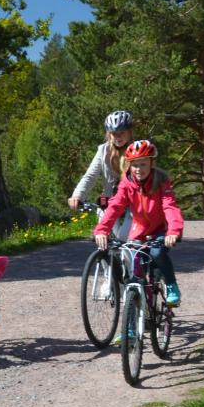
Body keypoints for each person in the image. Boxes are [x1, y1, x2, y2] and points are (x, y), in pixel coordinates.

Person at [96, 139, 185, 306]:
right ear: (129, 165)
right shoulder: (126, 183)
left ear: (151, 163)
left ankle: (171, 285)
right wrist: (102, 229)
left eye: (143, 164)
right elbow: (115, 206)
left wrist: (173, 231)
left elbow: (170, 207)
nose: (139, 169)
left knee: (157, 253)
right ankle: (134, 315)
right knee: (133, 269)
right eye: (134, 165)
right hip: (139, 231)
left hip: (160, 230)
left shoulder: (161, 181)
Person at [67, 109, 142, 230]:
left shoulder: (138, 149)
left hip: (134, 203)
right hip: (110, 202)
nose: (118, 137)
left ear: (129, 132)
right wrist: (77, 195)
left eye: (122, 132)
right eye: (114, 133)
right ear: (108, 134)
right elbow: (90, 175)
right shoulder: (103, 150)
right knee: (104, 235)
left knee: (125, 236)